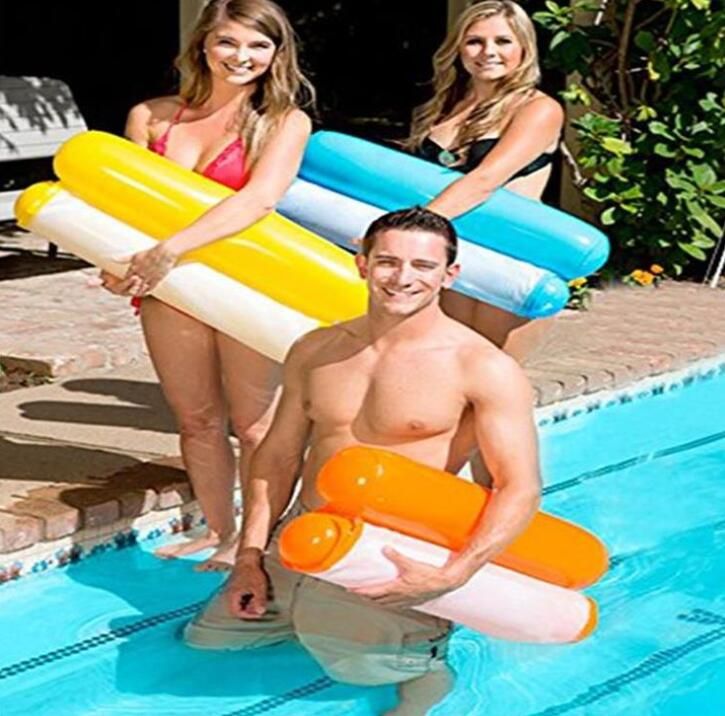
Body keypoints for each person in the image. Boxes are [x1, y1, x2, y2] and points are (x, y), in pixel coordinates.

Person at [183, 208, 541, 715]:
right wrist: (249, 557)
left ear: (449, 275)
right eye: (388, 262)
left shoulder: (481, 367)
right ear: (362, 264)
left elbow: (519, 487)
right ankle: (311, 618)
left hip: (389, 551)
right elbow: (277, 458)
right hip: (301, 534)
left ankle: (426, 671)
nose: (403, 278)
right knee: (205, 643)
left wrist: (455, 575)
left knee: (369, 671)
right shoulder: (317, 349)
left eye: (423, 266)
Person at [100, 0, 314, 570]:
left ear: (277, 54)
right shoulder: (151, 117)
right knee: (196, 419)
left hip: (245, 282)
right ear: (203, 45)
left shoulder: (284, 121)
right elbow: (123, 203)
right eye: (228, 42)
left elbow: (259, 199)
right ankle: (220, 532)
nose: (241, 57)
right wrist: (112, 260)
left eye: (258, 45)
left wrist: (171, 248)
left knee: (255, 424)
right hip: (170, 286)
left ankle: (256, 540)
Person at [405, 0, 564, 363]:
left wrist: (409, 227)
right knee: (437, 366)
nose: (488, 52)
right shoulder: (442, 107)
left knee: (491, 374)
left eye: (503, 41)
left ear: (524, 48)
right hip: (450, 248)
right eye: (475, 41)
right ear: (458, 48)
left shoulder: (538, 109)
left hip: (510, 253)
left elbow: (485, 179)